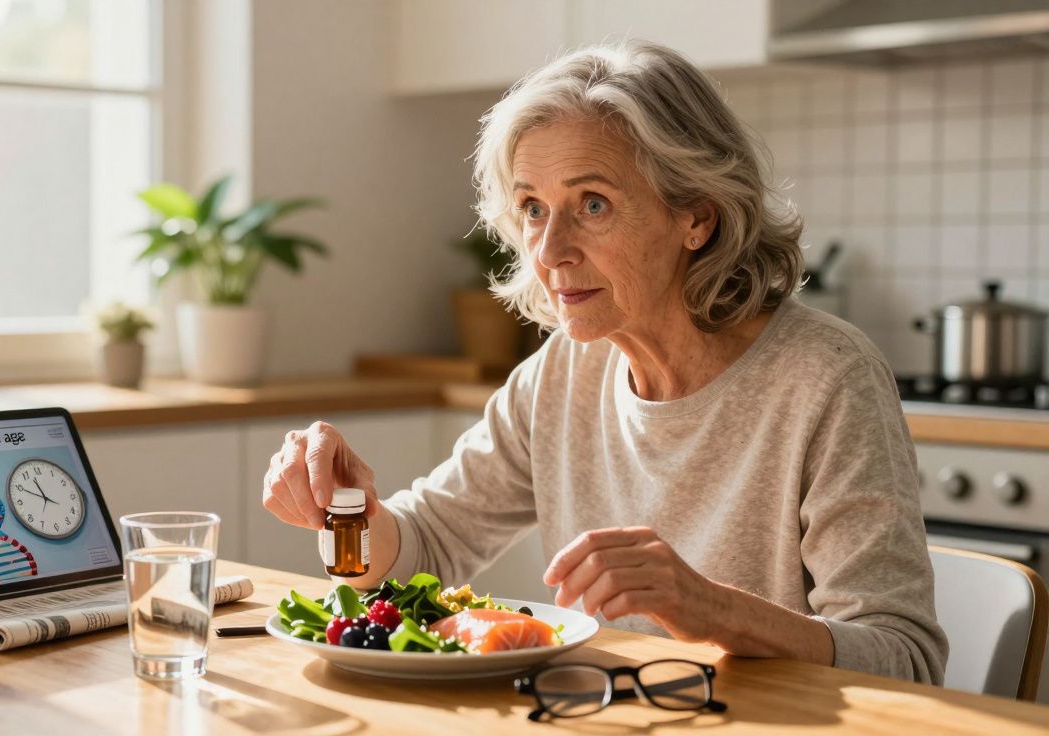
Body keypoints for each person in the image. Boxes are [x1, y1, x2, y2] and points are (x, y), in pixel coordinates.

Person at [261, 40, 946, 684]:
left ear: (697, 218)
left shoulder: (826, 377)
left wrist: (715, 612)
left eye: (593, 204)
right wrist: (346, 511)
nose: (550, 249)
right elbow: (429, 546)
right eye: (532, 207)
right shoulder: (562, 372)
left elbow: (906, 661)